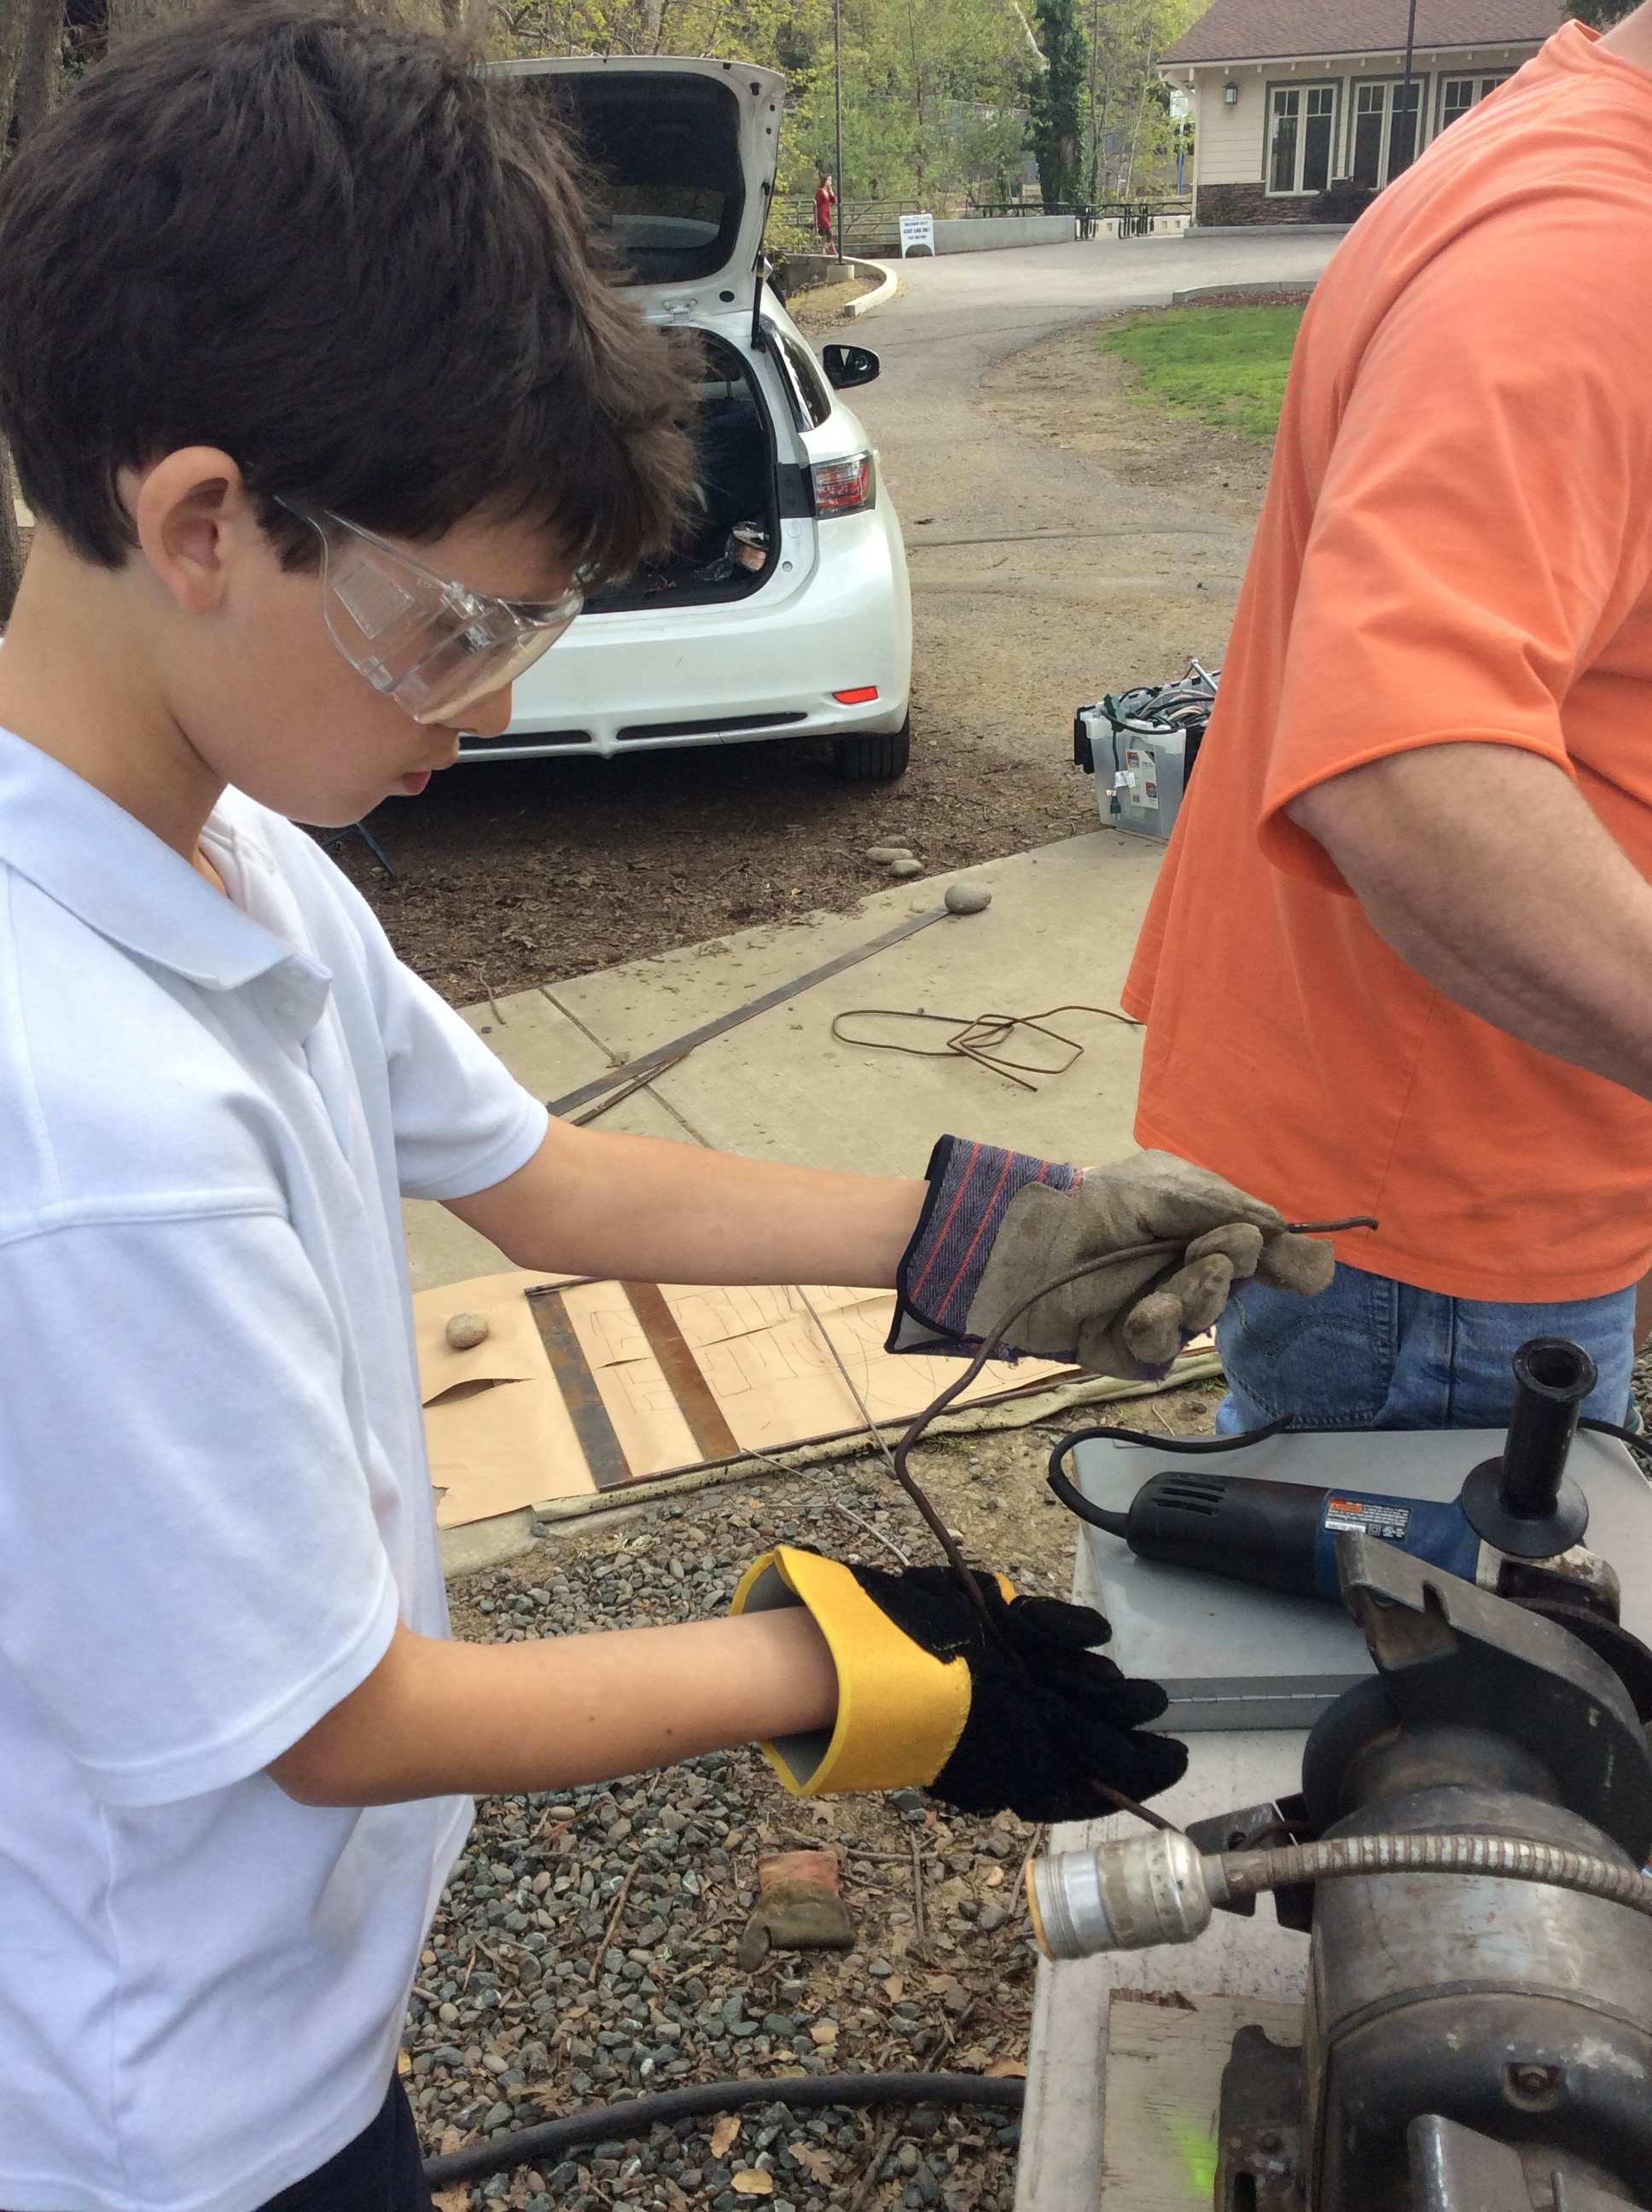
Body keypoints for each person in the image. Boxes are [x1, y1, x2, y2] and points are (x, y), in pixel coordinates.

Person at [0, 10, 1332, 2205]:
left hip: (265, 2018)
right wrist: (852, 1670)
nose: (493, 703)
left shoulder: (234, 865)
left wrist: (989, 1240)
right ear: (205, 521)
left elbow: (544, 1182)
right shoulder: (86, 1131)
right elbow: (337, 1718)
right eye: (462, 627)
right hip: (161, 2131)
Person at [1123, 6, 1652, 1435]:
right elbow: (1414, 773)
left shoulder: (1564, 171)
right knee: (1412, 1583)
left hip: (1477, 1153)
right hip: (1444, 1202)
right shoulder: (1587, 255)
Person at [814, 166, 837, 245]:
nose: (830, 182)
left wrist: (831, 191)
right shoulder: (820, 191)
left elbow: (834, 201)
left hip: (827, 213)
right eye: (829, 180)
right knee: (828, 230)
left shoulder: (828, 192)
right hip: (822, 214)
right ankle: (832, 249)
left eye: (831, 180)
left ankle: (815, 246)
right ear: (825, 181)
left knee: (822, 232)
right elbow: (817, 203)